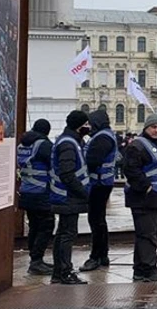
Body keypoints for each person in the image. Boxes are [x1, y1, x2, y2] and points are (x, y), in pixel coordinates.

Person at [122, 113, 157, 282]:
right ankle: (150, 269)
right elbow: (131, 169)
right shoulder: (137, 146)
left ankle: (140, 270)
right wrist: (146, 187)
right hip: (143, 197)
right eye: (154, 127)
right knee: (147, 235)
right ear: (146, 127)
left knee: (147, 234)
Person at [49, 110, 91, 284]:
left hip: (64, 195)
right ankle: (65, 272)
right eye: (86, 124)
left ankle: (59, 272)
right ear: (79, 125)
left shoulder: (69, 140)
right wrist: (83, 193)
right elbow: (68, 174)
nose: (88, 127)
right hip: (68, 196)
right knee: (67, 234)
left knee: (62, 234)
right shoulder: (68, 144)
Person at [79, 110, 118, 272]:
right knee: (99, 220)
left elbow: (92, 160)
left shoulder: (102, 138)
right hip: (103, 182)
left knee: (96, 220)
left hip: (98, 183)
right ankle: (103, 255)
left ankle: (96, 256)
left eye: (90, 123)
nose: (88, 126)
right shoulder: (105, 135)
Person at [17, 119, 55, 275]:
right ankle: (36, 261)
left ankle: (35, 258)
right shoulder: (44, 145)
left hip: (26, 191)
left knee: (34, 226)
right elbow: (54, 164)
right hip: (41, 192)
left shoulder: (22, 145)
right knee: (46, 226)